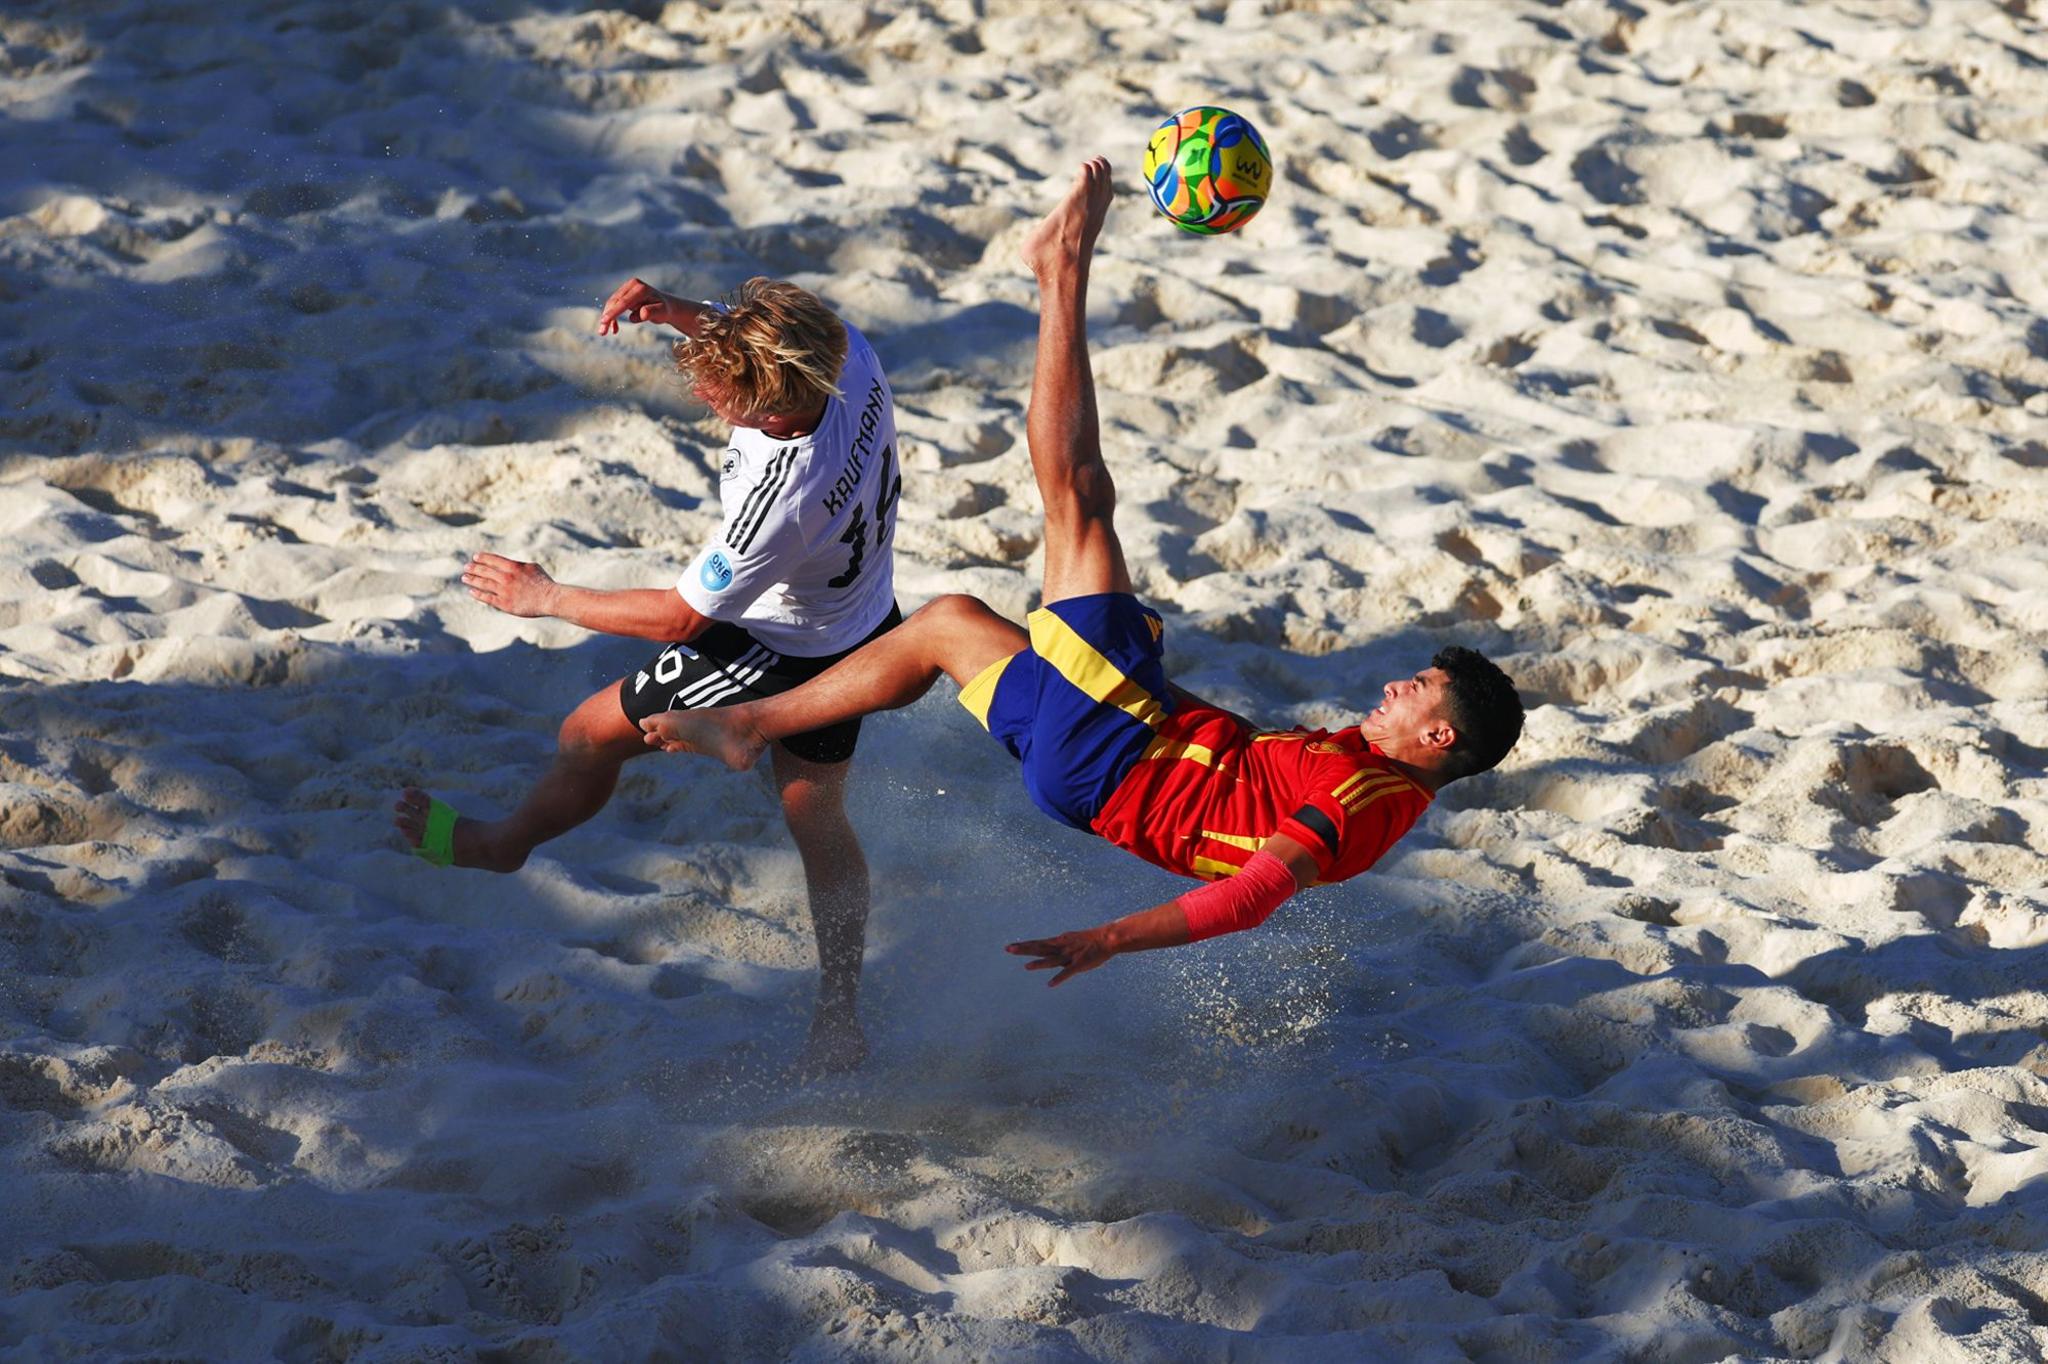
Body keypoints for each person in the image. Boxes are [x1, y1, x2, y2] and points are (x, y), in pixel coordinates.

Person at [640, 158, 1524, 989]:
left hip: (1116, 747)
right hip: (1102, 763)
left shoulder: (1371, 797)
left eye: (1422, 690)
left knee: (1080, 496)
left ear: (1440, 740)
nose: (1401, 685)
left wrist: (1111, 937)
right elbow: (1236, 792)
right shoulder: (1368, 772)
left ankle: (1062, 266)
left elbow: (1254, 894)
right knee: (947, 623)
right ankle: (751, 723)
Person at [395, 274, 905, 1071]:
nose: (699, 383)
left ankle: (503, 845)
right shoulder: (849, 354)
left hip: (780, 647)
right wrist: (677, 308)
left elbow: (680, 619)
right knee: (816, 820)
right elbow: (770, 334)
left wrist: (547, 594)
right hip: (866, 621)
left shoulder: (780, 498)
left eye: (713, 386)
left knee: (586, 732)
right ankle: (840, 1014)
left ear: (769, 409)